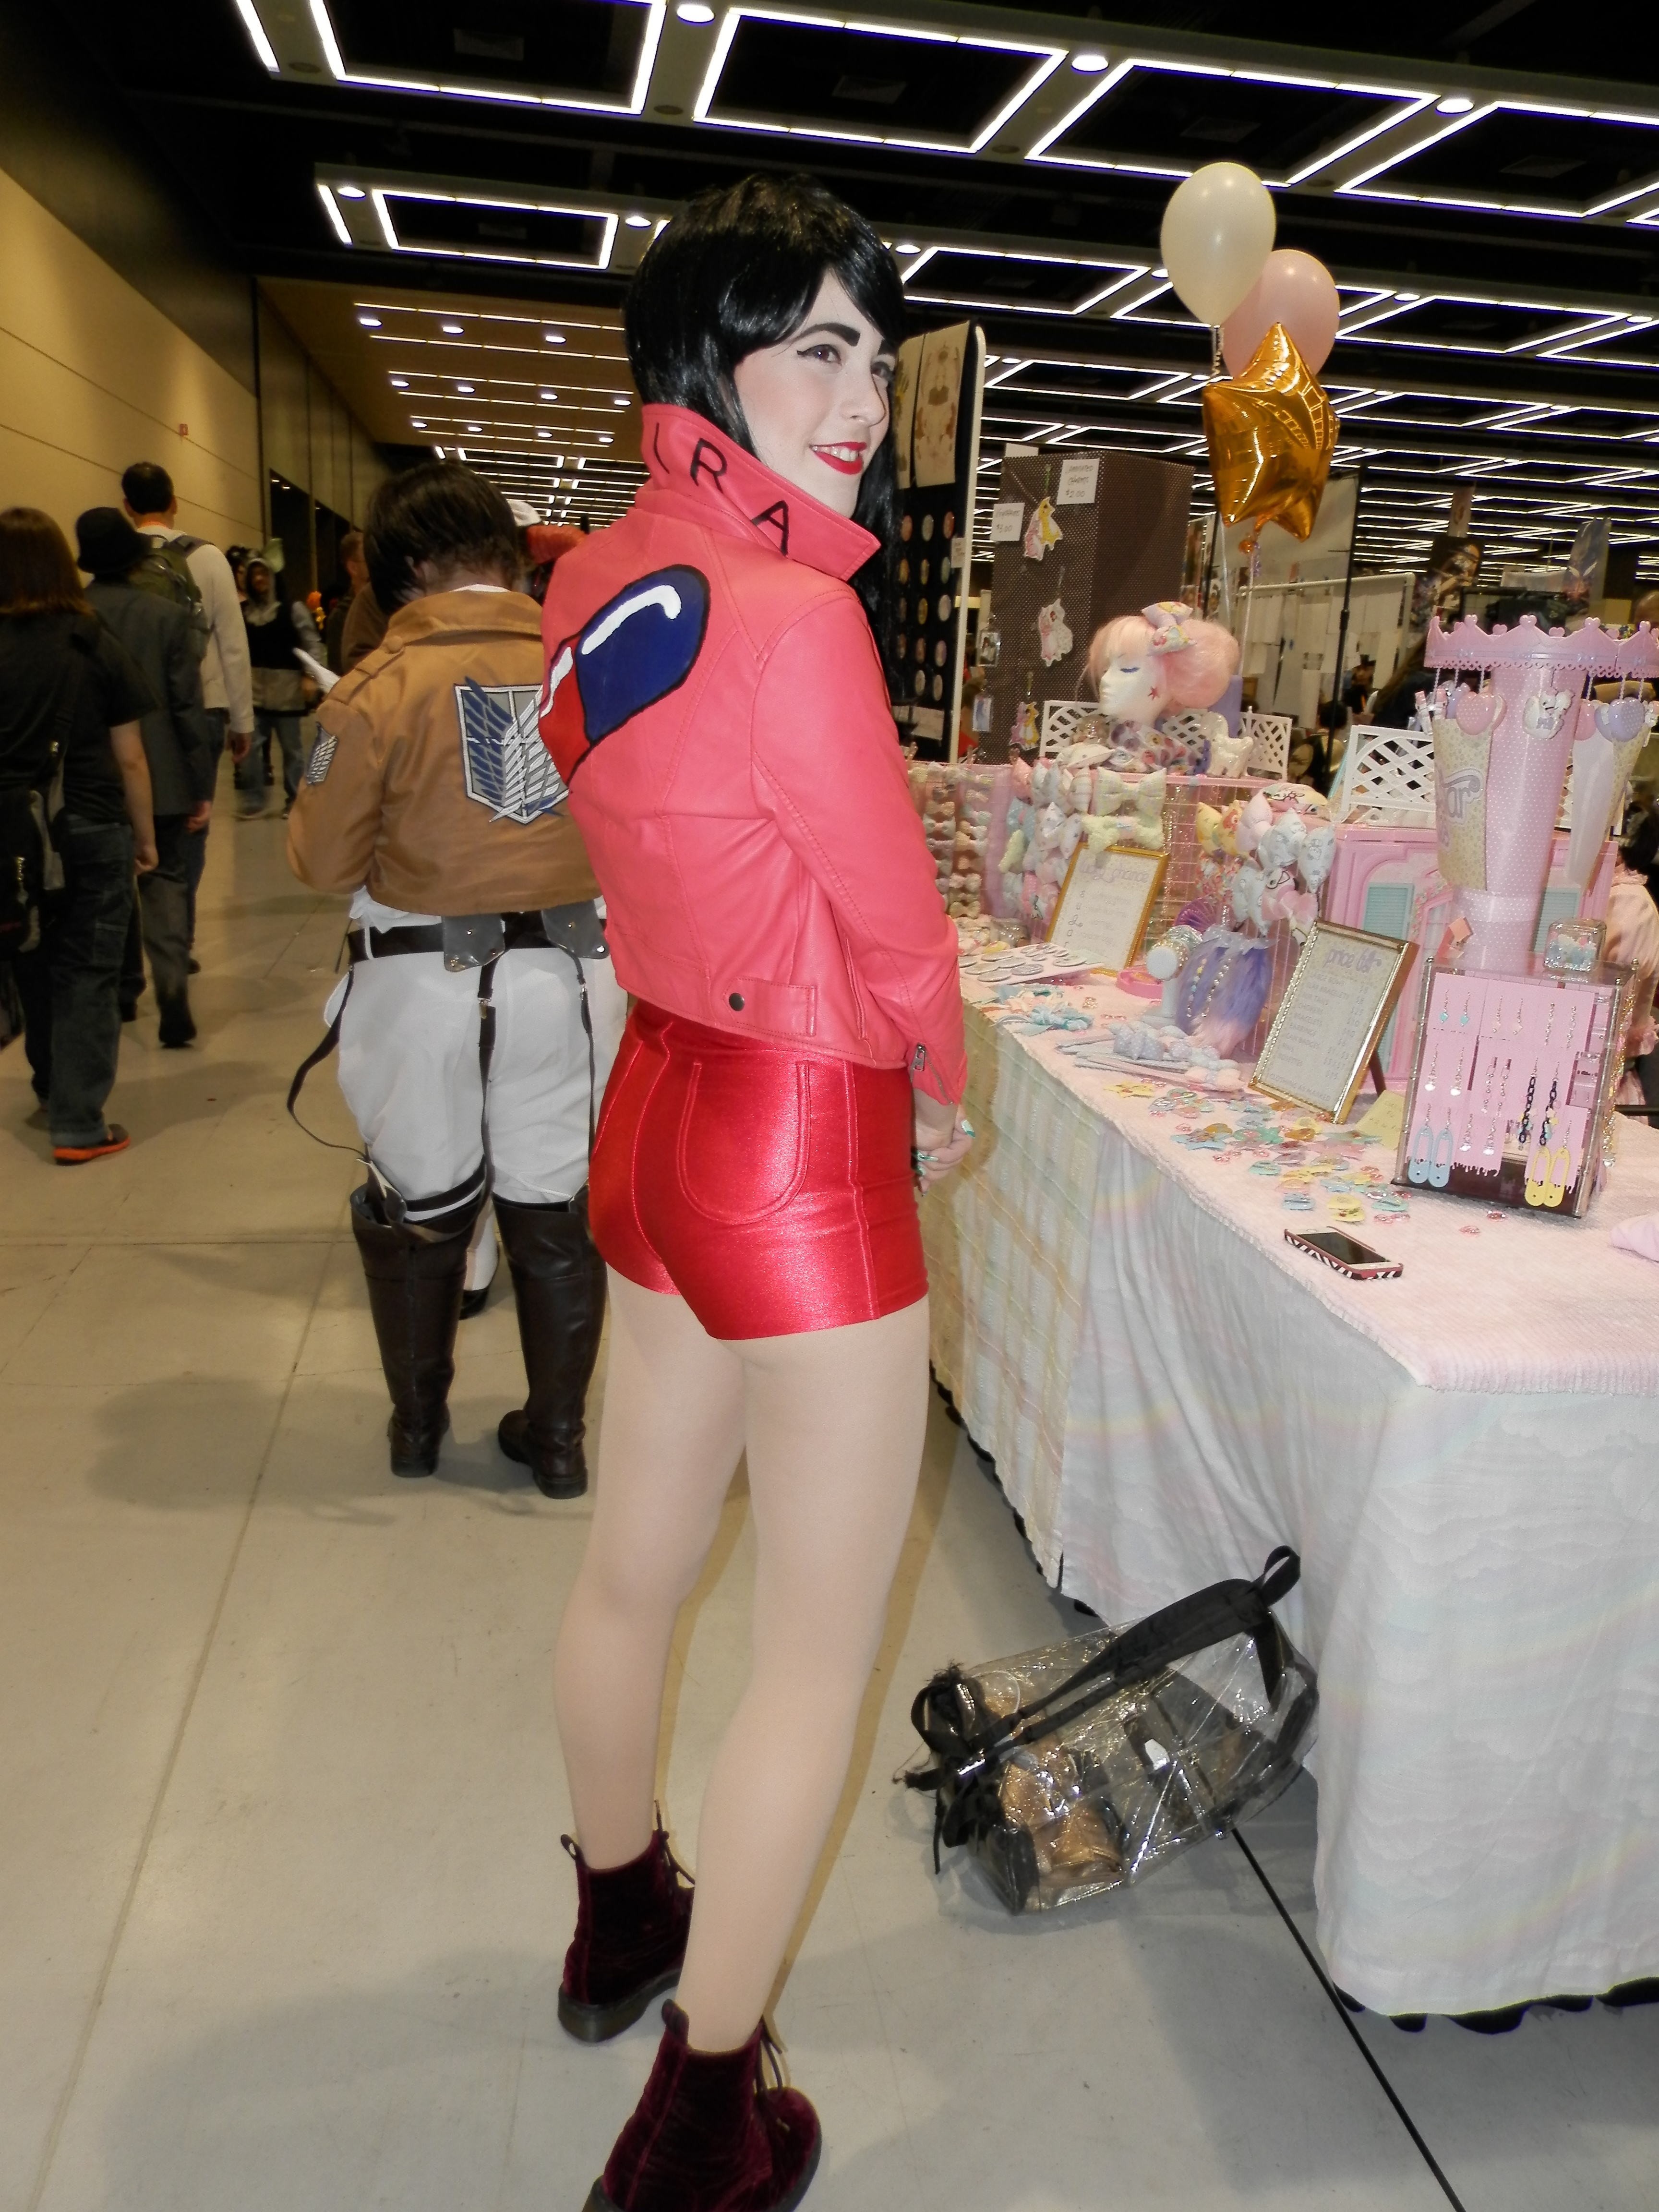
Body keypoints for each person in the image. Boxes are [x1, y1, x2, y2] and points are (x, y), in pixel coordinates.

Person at [538, 176, 970, 2212]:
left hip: (654, 1099)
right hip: (796, 1134)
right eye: (818, 348)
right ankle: (705, 2119)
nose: (862, 396)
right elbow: (894, 922)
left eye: (874, 354)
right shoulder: (797, 614)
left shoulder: (589, 576)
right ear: (710, 364)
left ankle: (619, 1908)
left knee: (633, 1563)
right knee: (811, 1645)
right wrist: (938, 1082)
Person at [287, 462, 625, 1491]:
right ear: (510, 555)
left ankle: (417, 1430)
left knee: (422, 1207)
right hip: (576, 978)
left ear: (405, 568)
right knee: (554, 1205)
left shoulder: (371, 690)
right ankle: (558, 1442)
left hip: (423, 983)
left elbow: (323, 862)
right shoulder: (595, 667)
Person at [0, 508, 157, 1161]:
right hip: (89, 825)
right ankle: (78, 1123)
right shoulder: (92, 641)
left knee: (30, 960)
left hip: (11, 837)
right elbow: (131, 757)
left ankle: (50, 1087)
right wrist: (145, 836)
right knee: (89, 969)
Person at [78, 509, 216, 1050]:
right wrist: (200, 785)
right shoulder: (167, 617)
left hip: (93, 778)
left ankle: (121, 991)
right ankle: (172, 990)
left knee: (105, 889)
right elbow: (187, 707)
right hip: (162, 776)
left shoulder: (72, 617)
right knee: (166, 882)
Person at [120, 462, 254, 949]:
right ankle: (178, 937)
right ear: (175, 502)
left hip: (131, 712)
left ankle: (138, 931)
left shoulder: (118, 558)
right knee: (193, 822)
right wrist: (243, 722)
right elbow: (233, 645)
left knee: (136, 819)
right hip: (203, 706)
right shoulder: (209, 557)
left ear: (128, 507)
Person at [237, 557, 321, 817]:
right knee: (250, 749)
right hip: (255, 694)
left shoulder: (292, 609)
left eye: (264, 573)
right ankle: (254, 801)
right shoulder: (244, 613)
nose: (259, 579)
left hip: (287, 694)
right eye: (254, 575)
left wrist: (311, 675)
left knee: (292, 751)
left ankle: (295, 800)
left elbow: (312, 643)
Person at [322, 529, 370, 672]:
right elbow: (338, 671)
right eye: (369, 559)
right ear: (353, 568)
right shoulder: (341, 616)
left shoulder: (387, 602)